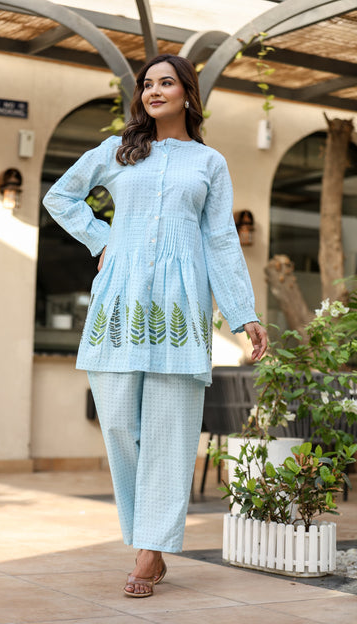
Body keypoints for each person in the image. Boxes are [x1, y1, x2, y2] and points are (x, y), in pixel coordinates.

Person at [43, 53, 267, 598]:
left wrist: (244, 312)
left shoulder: (209, 162)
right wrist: (102, 240)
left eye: (166, 82)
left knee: (171, 428)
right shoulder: (117, 151)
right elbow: (60, 196)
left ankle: (150, 550)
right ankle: (148, 535)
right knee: (119, 421)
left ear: (188, 93)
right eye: (147, 84)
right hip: (121, 304)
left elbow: (220, 239)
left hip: (180, 306)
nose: (154, 91)